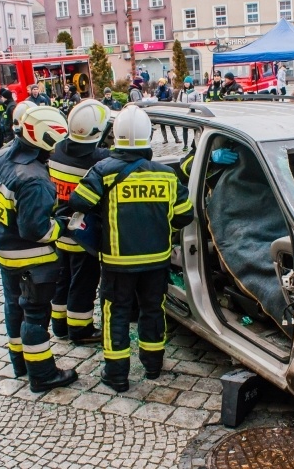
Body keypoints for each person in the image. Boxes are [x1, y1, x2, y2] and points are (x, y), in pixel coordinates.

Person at [68, 105, 194, 393]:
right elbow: (184, 215)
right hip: (156, 261)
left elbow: (78, 202)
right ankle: (153, 366)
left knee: (116, 314)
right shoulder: (166, 175)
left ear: (116, 136)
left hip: (118, 262)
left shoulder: (103, 171)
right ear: (148, 136)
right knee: (153, 310)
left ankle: (116, 375)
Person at [0, 103, 78, 393]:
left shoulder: (0, 157)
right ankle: (42, 374)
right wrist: (64, 225)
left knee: (14, 307)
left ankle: (20, 363)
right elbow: (37, 230)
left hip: (6, 252)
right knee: (36, 316)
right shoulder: (34, 179)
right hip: (33, 260)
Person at [47, 100, 111, 343]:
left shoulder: (56, 149)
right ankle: (80, 330)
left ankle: (60, 326)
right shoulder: (99, 159)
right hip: (83, 235)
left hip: (59, 228)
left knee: (63, 280)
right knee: (83, 283)